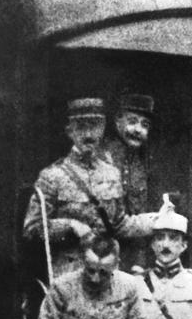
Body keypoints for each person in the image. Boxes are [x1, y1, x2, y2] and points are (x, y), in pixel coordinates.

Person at [23, 98, 156, 279]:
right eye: (81, 127)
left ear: (102, 129)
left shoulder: (111, 174)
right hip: (69, 274)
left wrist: (156, 221)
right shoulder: (52, 176)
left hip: (107, 272)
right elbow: (32, 229)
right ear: (70, 132)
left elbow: (120, 225)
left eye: (95, 127)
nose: (89, 134)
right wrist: (70, 226)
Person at [101, 93, 155, 272]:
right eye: (132, 121)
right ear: (118, 122)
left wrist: (138, 264)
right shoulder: (103, 158)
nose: (138, 130)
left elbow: (140, 211)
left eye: (144, 124)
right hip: (101, 254)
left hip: (129, 260)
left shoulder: (140, 165)